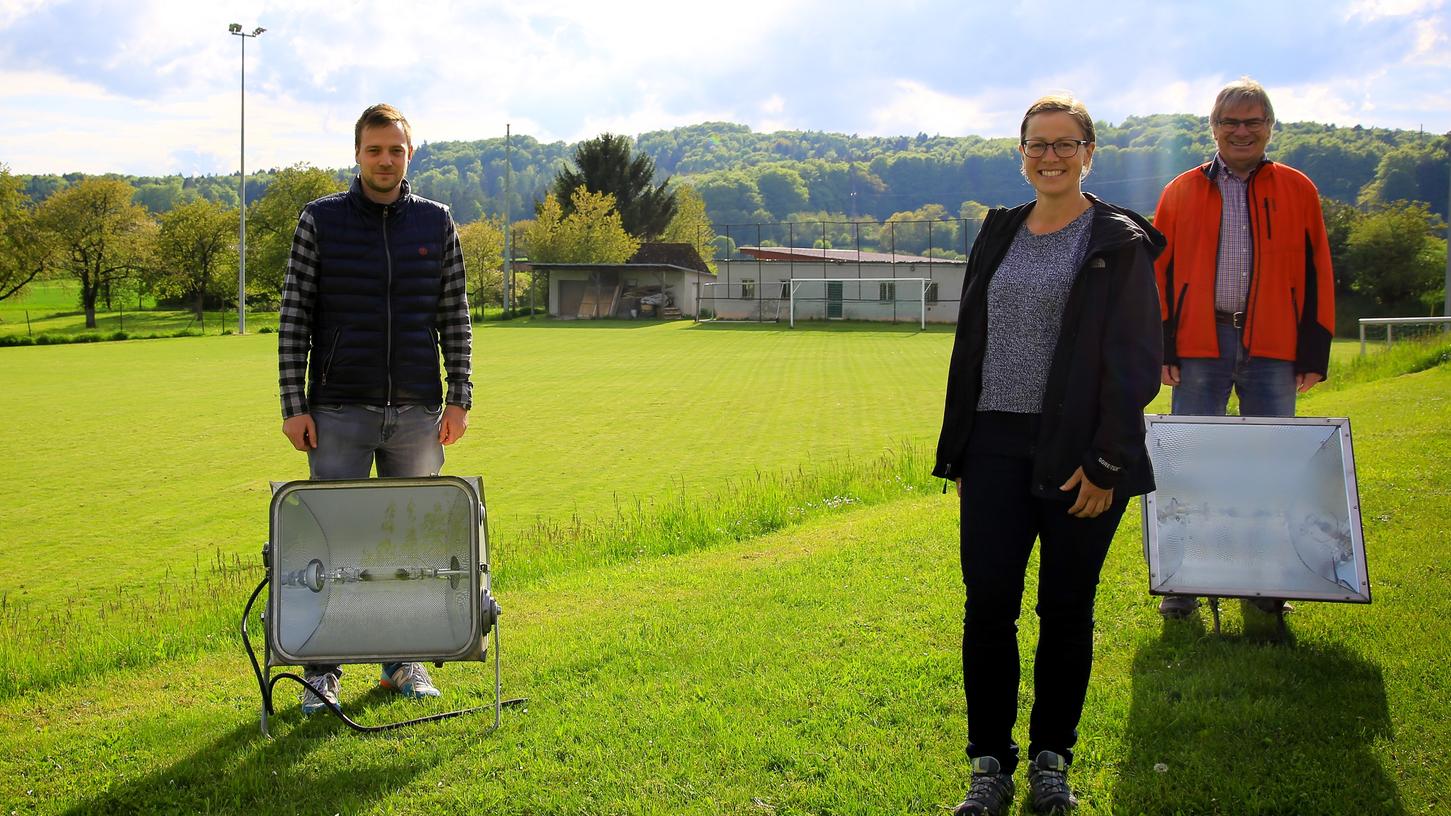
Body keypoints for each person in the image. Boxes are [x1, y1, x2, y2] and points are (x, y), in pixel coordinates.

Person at [932, 95, 1163, 816]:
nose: (1050, 157)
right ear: (1021, 151)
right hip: (995, 444)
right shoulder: (998, 231)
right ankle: (988, 764)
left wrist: (1107, 463)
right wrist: (963, 449)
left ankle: (1051, 760)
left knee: (1065, 609)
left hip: (1080, 451)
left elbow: (1135, 363)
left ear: (1089, 152)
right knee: (987, 609)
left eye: (1066, 145)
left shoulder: (1116, 241)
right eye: (1037, 144)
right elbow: (972, 343)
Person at [277, 103, 473, 714]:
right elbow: (294, 318)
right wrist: (293, 403)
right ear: (357, 154)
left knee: (406, 544)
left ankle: (401, 662)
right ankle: (321, 671)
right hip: (337, 410)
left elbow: (454, 317)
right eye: (374, 150)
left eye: (396, 150)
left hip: (417, 411)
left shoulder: (437, 223)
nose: (385, 160)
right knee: (329, 545)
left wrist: (459, 396)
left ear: (410, 155)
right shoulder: (320, 220)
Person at [1152, 78, 1336, 621]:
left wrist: (1313, 351)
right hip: (1199, 344)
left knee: (1274, 466)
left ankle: (1268, 581)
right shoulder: (1181, 190)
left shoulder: (1298, 188)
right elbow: (1157, 278)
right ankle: (1181, 582)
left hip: (1274, 348)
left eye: (1253, 121)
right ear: (1213, 128)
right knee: (1189, 464)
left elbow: (1317, 269)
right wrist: (1164, 345)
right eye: (1231, 122)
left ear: (1269, 127)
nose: (1242, 131)